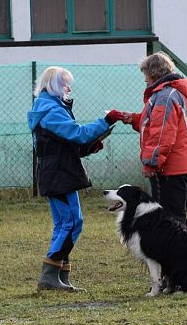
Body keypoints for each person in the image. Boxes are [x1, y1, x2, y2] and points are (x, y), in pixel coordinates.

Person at [27, 66, 126, 291]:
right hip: (58, 175)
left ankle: (59, 276)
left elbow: (61, 145)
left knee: (66, 223)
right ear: (54, 86)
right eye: (64, 84)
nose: (68, 88)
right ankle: (50, 276)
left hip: (57, 172)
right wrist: (105, 120)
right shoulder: (51, 110)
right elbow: (77, 134)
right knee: (71, 223)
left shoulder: (47, 107)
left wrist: (89, 148)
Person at [115, 52, 187, 227]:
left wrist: (151, 164)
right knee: (177, 216)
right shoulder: (175, 93)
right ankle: (183, 253)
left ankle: (178, 254)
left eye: (145, 75)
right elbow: (158, 124)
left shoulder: (164, 97)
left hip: (170, 169)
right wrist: (135, 119)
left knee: (169, 220)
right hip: (183, 164)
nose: (145, 80)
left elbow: (161, 135)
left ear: (154, 74)